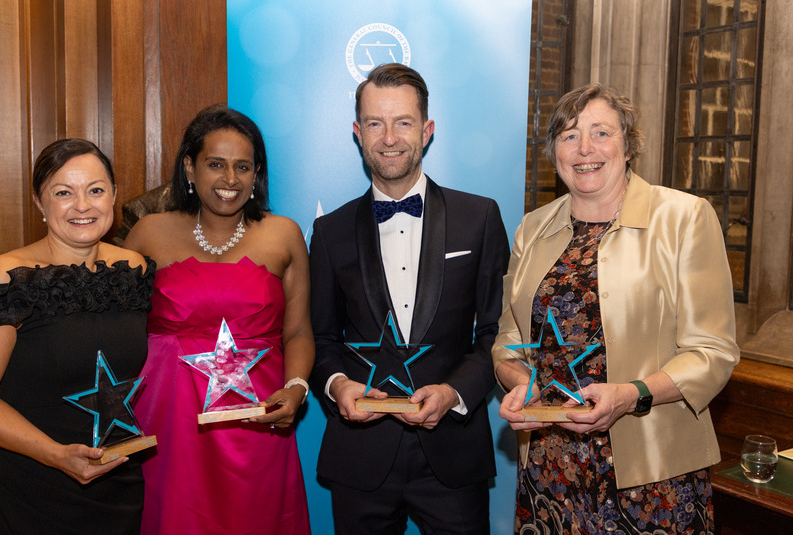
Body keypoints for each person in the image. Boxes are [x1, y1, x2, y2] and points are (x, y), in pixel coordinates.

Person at [492, 83, 740, 534]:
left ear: (628, 145)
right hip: (550, 471)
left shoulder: (684, 219)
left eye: (601, 133)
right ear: (554, 153)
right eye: (569, 136)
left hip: (653, 475)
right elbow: (509, 342)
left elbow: (713, 351)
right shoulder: (531, 229)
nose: (584, 148)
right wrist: (521, 386)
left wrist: (631, 394)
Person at [309, 63, 509, 534]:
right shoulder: (329, 231)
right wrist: (338, 386)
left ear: (427, 130)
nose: (389, 138)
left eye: (403, 122)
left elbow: (498, 333)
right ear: (358, 133)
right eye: (375, 123)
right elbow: (320, 338)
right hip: (360, 457)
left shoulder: (479, 217)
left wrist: (455, 392)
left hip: (455, 452)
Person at [123, 104, 312, 534]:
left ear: (256, 173)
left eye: (243, 167)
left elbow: (298, 330)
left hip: (258, 421)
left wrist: (296, 389)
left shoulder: (284, 234)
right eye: (216, 165)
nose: (230, 180)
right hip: (167, 424)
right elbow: (113, 328)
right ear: (189, 168)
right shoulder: (149, 233)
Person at [0, 139, 153, 534]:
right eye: (64, 193)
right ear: (39, 202)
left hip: (118, 483)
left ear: (115, 195)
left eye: (96, 190)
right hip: (35, 487)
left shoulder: (132, 270)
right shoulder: (7, 278)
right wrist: (55, 455)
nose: (83, 205)